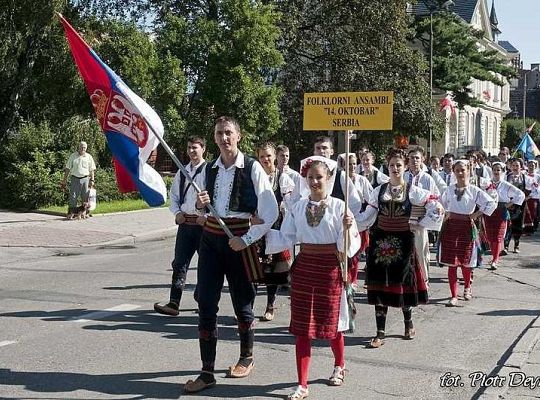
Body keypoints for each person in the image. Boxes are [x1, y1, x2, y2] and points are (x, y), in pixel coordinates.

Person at [183, 117, 278, 393]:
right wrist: (200, 207)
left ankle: (246, 357)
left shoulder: (252, 167)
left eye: (228, 133)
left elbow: (270, 213)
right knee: (206, 303)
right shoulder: (208, 169)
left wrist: (246, 239)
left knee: (242, 303)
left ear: (238, 136)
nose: (224, 138)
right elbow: (199, 211)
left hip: (239, 239)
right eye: (219, 134)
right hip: (211, 240)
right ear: (214, 138)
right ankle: (207, 371)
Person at [265, 157, 360, 400]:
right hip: (305, 267)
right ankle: (302, 384)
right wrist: (258, 233)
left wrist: (348, 228)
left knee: (331, 323)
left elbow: (347, 246)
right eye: (310, 178)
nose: (315, 181)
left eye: (319, 177)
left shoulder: (341, 206)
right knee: (302, 328)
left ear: (328, 178)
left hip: (329, 268)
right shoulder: (297, 206)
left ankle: (339, 365)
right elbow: (286, 236)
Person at [356, 148, 443, 348]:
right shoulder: (378, 191)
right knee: (379, 285)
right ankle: (380, 332)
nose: (395, 168)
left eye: (398, 165)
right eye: (392, 165)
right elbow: (367, 216)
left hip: (403, 242)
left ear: (404, 167)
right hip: (380, 242)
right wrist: (351, 223)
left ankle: (408, 323)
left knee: (402, 283)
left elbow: (436, 206)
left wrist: (421, 223)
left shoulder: (412, 190)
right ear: (387, 166)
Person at [154, 136, 207, 316]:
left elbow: (216, 199)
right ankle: (174, 302)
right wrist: (177, 213)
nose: (192, 151)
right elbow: (174, 197)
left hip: (204, 227)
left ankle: (203, 298)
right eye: (190, 148)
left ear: (203, 149)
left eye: (195, 148)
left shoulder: (210, 171)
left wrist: (205, 216)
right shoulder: (182, 172)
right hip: (185, 226)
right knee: (179, 263)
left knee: (207, 265)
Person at [439, 160, 497, 307]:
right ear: (453, 172)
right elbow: (441, 204)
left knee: (466, 261)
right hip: (451, 227)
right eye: (457, 170)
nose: (460, 173)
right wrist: (443, 213)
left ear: (468, 171)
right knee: (452, 263)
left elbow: (491, 203)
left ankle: (467, 288)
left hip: (466, 226)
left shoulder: (474, 190)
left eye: (462, 170)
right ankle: (453, 295)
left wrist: (476, 214)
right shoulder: (449, 189)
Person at [256, 142, 294, 322]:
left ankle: (270, 305)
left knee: (272, 271)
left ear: (275, 157)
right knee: (253, 269)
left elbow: (291, 203)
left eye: (268, 156)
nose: (265, 160)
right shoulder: (254, 177)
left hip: (275, 228)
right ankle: (247, 306)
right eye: (262, 156)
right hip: (256, 228)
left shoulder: (282, 178)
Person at [404, 146, 443, 282]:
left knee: (421, 252)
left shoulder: (427, 178)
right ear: (407, 160)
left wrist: (430, 215)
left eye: (417, 158)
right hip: (404, 219)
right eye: (411, 158)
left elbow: (435, 197)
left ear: (422, 160)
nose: (414, 161)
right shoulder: (403, 176)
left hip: (420, 220)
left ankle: (423, 281)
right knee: (404, 252)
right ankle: (406, 281)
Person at [483, 162, 525, 270]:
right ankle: (494, 256)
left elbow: (521, 195)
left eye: (498, 170)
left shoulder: (506, 185)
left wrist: (508, 204)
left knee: (497, 237)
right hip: (489, 212)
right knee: (490, 236)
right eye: (494, 170)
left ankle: (495, 260)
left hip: (501, 212)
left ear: (502, 171)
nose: (496, 172)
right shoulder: (487, 184)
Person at [61, 141, 97, 219]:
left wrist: (92, 180)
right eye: (81, 147)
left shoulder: (89, 157)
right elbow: (67, 168)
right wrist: (64, 180)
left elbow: (92, 170)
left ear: (86, 148)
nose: (82, 148)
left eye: (84, 147)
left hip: (85, 178)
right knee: (73, 197)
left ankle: (86, 213)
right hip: (75, 178)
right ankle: (71, 213)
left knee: (85, 196)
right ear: (78, 147)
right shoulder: (73, 156)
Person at [505, 158, 530, 253]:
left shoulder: (525, 177)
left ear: (521, 167)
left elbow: (530, 190)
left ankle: (516, 245)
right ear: (511, 167)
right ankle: (506, 246)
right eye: (513, 165)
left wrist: (524, 198)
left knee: (518, 224)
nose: (515, 168)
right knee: (507, 224)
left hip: (520, 205)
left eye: (517, 166)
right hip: (509, 204)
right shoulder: (507, 176)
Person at [524, 160, 540, 234]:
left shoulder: (538, 176)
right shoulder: (524, 174)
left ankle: (530, 229)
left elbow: (537, 188)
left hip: (534, 197)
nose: (531, 167)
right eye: (529, 165)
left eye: (533, 165)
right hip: (525, 195)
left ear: (535, 166)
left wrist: (530, 196)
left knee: (532, 213)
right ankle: (524, 228)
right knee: (525, 213)